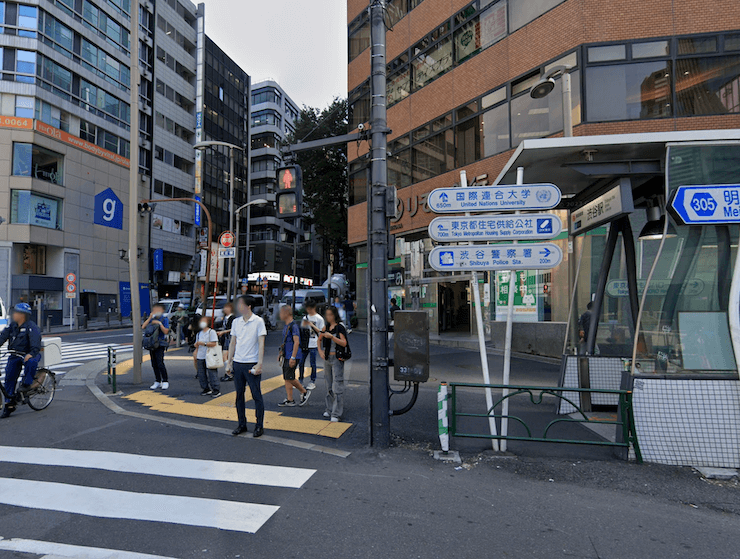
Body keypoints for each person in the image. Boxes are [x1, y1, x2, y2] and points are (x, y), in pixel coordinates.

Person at [228, 295, 267, 437]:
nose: (238, 307)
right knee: (239, 395)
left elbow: (261, 343)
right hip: (238, 363)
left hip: (252, 362)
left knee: (256, 395)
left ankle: (259, 425)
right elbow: (233, 342)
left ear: (249, 306)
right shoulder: (236, 322)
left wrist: (260, 363)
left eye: (241, 304)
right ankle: (241, 424)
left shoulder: (258, 321)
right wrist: (229, 362)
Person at [0, 303, 42, 418]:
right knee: (9, 377)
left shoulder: (31, 327)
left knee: (31, 361)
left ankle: (27, 384)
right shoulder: (12, 326)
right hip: (15, 355)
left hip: (29, 354)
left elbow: (36, 344)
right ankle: (9, 404)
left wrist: (31, 353)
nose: (14, 315)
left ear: (23, 315)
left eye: (17, 313)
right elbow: (2, 337)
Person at [318, 305, 348, 422]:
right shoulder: (326, 327)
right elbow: (319, 338)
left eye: (330, 314)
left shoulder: (340, 327)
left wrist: (332, 337)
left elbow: (344, 343)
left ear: (335, 315)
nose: (328, 317)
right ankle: (329, 409)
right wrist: (320, 351)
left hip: (337, 358)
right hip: (327, 358)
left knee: (337, 385)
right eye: (327, 315)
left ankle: (336, 413)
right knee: (328, 385)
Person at [277, 305, 311, 407]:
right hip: (287, 354)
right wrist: (281, 354)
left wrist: (293, 357)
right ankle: (290, 399)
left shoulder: (294, 326)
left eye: (281, 312)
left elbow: (296, 342)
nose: (280, 315)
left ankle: (304, 391)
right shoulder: (286, 326)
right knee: (287, 377)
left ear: (287, 313)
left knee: (290, 377)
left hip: (293, 355)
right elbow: (285, 342)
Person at [143, 303, 170, 390]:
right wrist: (150, 317)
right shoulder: (152, 319)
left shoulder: (164, 319)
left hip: (160, 343)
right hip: (152, 343)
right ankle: (157, 381)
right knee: (154, 364)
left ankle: (165, 381)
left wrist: (159, 323)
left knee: (160, 363)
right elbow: (143, 326)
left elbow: (166, 331)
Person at [299, 300, 325, 390]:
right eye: (307, 309)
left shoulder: (319, 318)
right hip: (305, 344)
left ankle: (312, 381)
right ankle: (300, 380)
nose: (308, 310)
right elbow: (301, 331)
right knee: (301, 362)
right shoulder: (305, 318)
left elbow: (322, 332)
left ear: (314, 308)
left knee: (313, 363)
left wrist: (312, 325)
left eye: (310, 308)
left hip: (314, 344)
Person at [193, 317, 220, 397]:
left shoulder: (211, 332)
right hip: (200, 355)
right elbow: (196, 344)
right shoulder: (199, 333)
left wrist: (203, 343)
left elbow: (214, 343)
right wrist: (196, 346)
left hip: (210, 355)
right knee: (201, 374)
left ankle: (216, 389)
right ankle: (206, 389)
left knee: (212, 373)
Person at [218, 302, 236, 382]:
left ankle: (229, 373)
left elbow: (234, 329)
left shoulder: (233, 318)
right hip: (226, 338)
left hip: (230, 338)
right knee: (226, 356)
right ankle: (229, 372)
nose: (224, 309)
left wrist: (224, 332)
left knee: (226, 356)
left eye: (226, 307)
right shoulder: (225, 317)